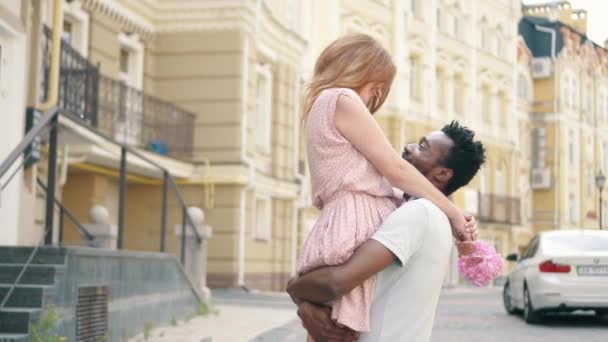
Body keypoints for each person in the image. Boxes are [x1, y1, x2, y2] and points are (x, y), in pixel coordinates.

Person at [298, 33, 476, 335]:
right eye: (378, 88)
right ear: (368, 76)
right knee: (335, 330)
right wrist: (455, 214)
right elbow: (394, 169)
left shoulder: (326, 103)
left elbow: (386, 181)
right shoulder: (341, 99)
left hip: (343, 222)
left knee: (329, 329)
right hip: (351, 223)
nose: (376, 98)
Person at [289, 121, 487, 342]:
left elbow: (335, 282)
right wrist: (307, 307)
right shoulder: (434, 216)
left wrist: (294, 288)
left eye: (422, 147)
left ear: (442, 173)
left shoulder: (418, 213)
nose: (408, 147)